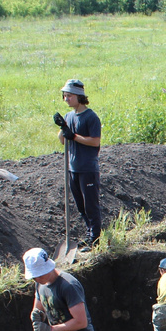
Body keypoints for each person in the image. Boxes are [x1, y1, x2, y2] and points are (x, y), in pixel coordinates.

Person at [53, 79, 102, 247]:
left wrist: (73, 136)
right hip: (72, 168)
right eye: (64, 96)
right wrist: (62, 127)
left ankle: (95, 239)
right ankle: (89, 234)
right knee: (80, 206)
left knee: (90, 206)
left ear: (79, 97)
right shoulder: (69, 116)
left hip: (87, 167)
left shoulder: (91, 117)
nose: (66, 99)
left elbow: (95, 142)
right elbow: (62, 140)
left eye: (69, 96)